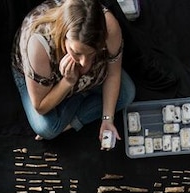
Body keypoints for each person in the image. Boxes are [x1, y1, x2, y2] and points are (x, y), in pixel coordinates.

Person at [11, 0, 136, 145]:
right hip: (41, 79)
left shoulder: (109, 26)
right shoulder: (38, 44)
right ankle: (83, 95)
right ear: (64, 35)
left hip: (89, 76)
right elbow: (41, 106)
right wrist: (68, 82)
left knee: (126, 94)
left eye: (91, 53)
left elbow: (113, 73)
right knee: (46, 128)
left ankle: (74, 113)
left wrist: (107, 119)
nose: (83, 63)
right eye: (76, 52)